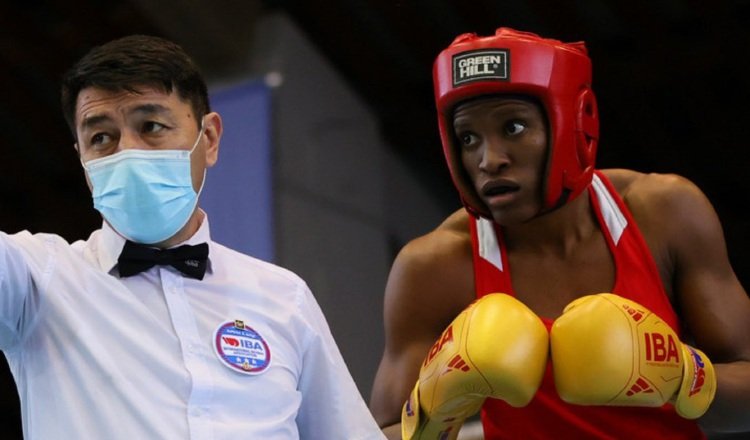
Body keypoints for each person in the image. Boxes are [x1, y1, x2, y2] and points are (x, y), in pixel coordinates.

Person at [369, 27, 750, 439]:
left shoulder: (664, 213)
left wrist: (683, 377)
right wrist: (429, 411)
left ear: (573, 123)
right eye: (468, 138)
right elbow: (374, 433)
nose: (488, 159)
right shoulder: (434, 267)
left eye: (513, 127)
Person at [0, 34, 385, 439]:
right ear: (81, 158)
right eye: (101, 138)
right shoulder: (35, 278)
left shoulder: (285, 297)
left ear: (211, 139)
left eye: (151, 126)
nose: (127, 152)